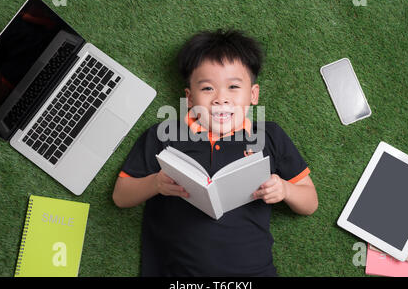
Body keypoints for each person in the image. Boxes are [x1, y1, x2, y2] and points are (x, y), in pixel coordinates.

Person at [112, 29, 318, 276]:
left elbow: (310, 203)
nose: (221, 99)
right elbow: (121, 197)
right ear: (189, 98)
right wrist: (156, 183)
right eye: (208, 89)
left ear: (253, 95)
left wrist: (284, 189)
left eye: (233, 87)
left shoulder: (269, 136)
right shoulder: (162, 135)